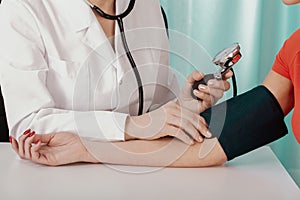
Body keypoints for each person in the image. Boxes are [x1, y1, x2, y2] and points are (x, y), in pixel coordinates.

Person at [0, 0, 233, 166]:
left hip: (138, 166)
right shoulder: (22, 9)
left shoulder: (146, 5)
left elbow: (154, 106)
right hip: (61, 175)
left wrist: (183, 105)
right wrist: (132, 125)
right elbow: (28, 125)